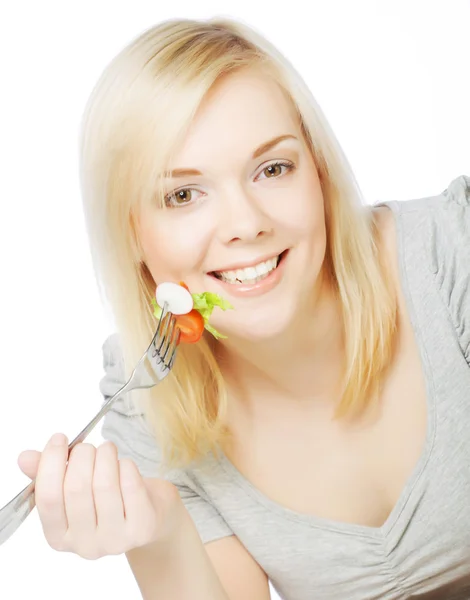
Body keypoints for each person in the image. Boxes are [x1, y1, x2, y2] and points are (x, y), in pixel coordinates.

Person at [17, 16, 469, 600]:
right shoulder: (146, 399)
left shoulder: (451, 256)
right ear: (131, 234)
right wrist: (162, 535)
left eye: (273, 168)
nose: (247, 224)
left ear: (319, 173)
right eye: (182, 194)